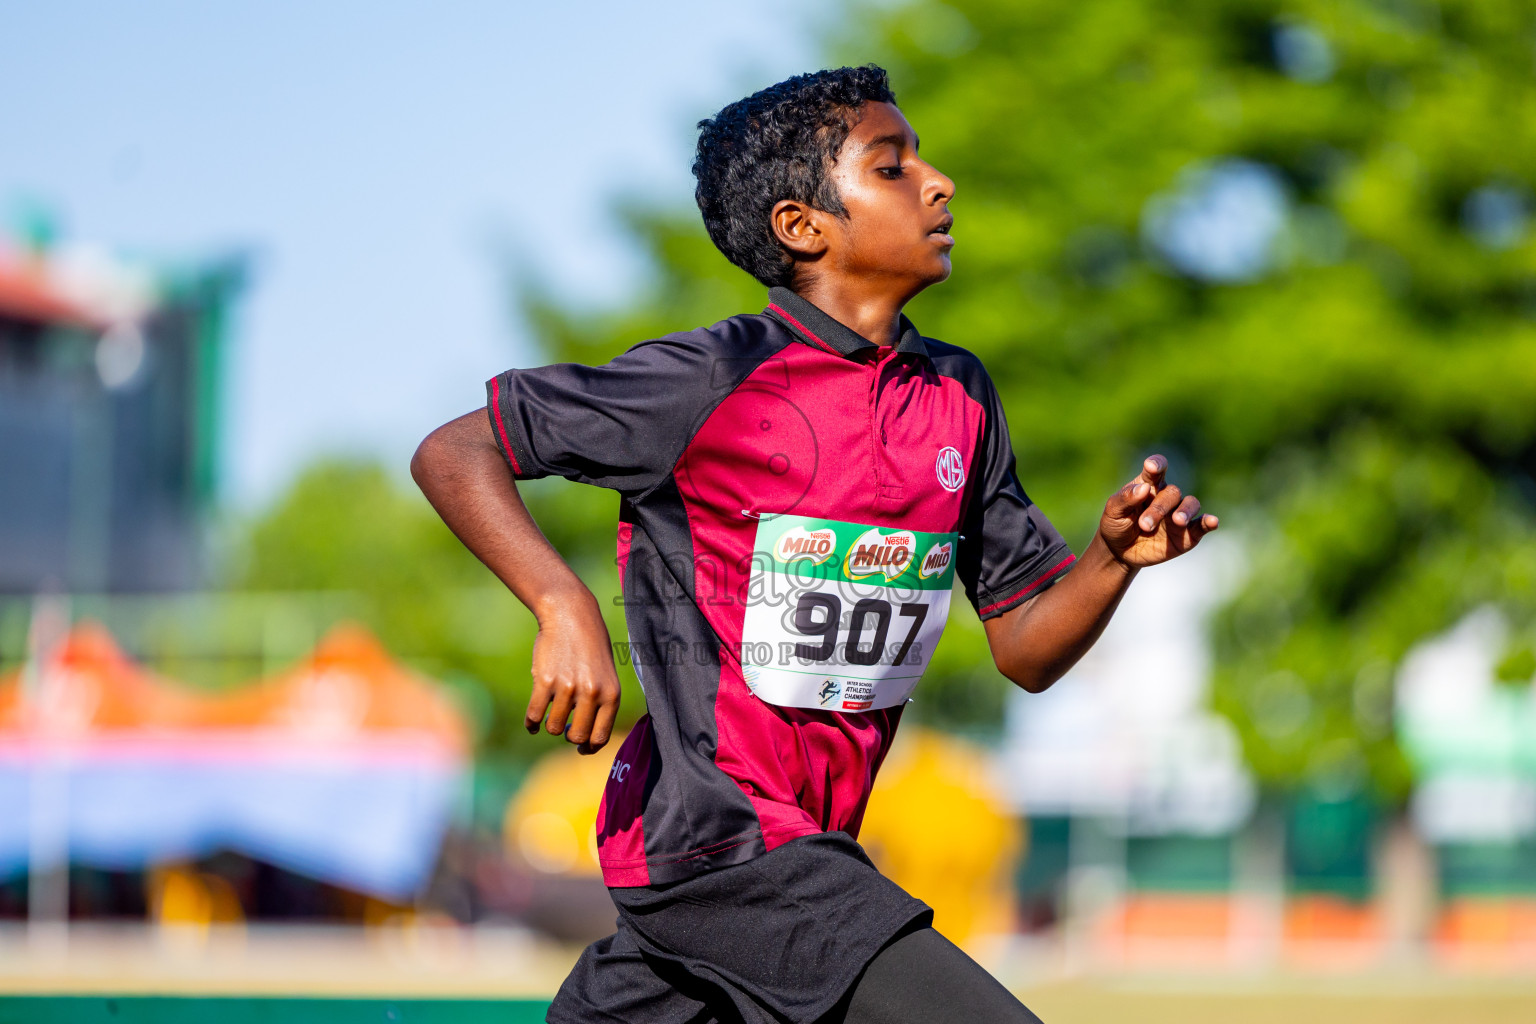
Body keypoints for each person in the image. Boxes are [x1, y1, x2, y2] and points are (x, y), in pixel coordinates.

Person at [412, 65, 1217, 1024]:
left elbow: (1026, 647)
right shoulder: (709, 379)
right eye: (894, 165)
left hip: (796, 854)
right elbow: (455, 451)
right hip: (718, 840)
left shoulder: (959, 397)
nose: (938, 180)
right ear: (803, 225)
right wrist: (561, 603)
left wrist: (1112, 560)